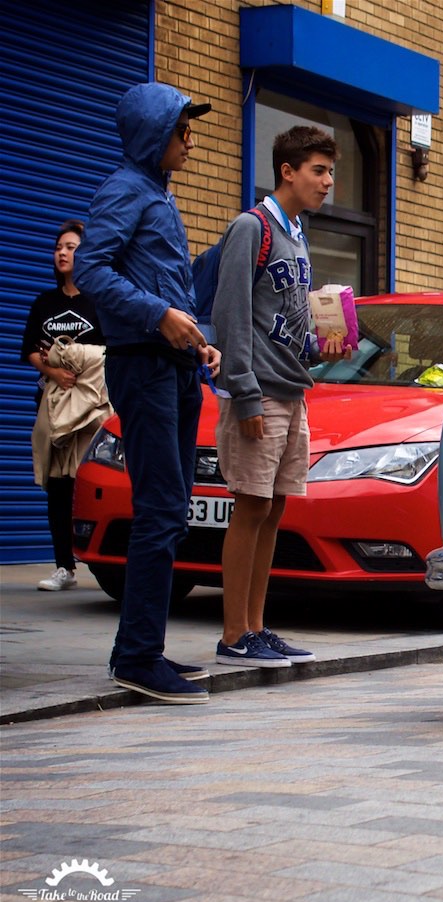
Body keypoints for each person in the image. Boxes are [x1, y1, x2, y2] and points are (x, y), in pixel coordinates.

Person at [74, 82, 220, 705]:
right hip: (144, 368)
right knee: (160, 509)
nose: (191, 140)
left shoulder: (156, 194)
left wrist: (195, 339)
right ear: (154, 134)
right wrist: (159, 316)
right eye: (183, 129)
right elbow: (90, 270)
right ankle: (135, 656)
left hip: (174, 367)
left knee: (172, 506)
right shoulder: (125, 189)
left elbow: (166, 283)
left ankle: (146, 649)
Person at [212, 125, 345, 668]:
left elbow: (283, 321)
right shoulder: (252, 227)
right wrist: (243, 395)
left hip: (294, 392)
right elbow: (231, 314)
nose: (328, 182)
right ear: (287, 171)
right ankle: (231, 636)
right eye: (318, 170)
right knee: (251, 506)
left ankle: (257, 627)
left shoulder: (297, 234)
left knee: (274, 508)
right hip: (260, 393)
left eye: (331, 171)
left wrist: (321, 346)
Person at [21, 220, 107, 591]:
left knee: (87, 481)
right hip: (54, 404)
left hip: (90, 406)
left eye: (70, 247)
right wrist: (53, 371)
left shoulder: (99, 302)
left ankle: (107, 559)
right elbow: (30, 351)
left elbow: (107, 353)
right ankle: (64, 566)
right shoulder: (45, 303)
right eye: (58, 247)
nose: (62, 252)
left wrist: (76, 363)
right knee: (56, 485)